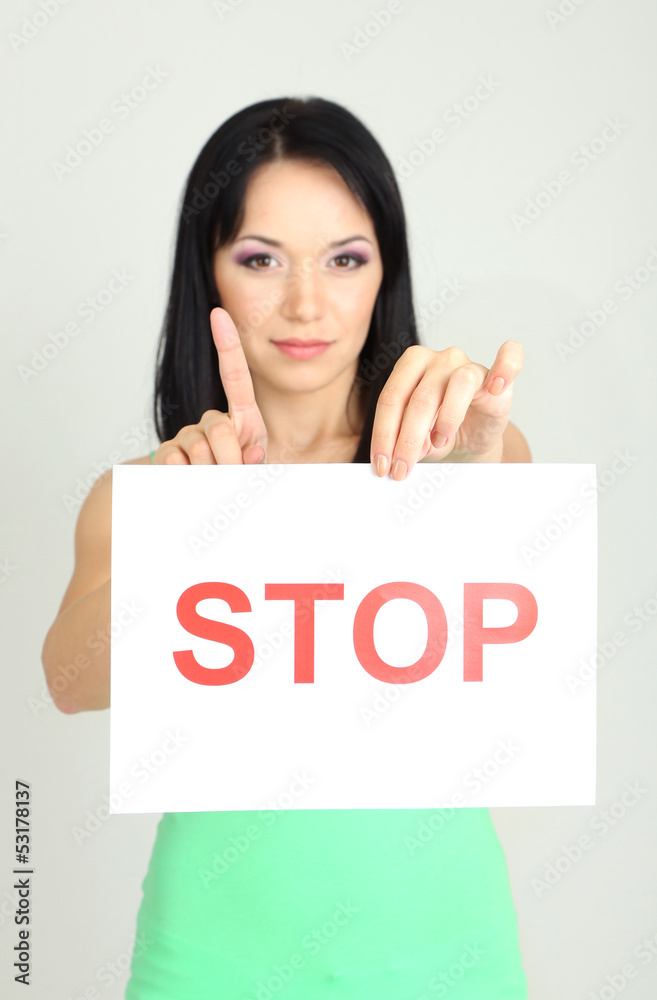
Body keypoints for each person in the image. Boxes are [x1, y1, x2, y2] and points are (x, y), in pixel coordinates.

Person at [42, 96, 531, 998]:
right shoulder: (149, 492)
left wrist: (470, 463)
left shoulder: (465, 451)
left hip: (444, 956)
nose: (306, 302)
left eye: (344, 259)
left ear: (385, 272)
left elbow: (517, 581)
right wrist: (198, 537)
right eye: (261, 259)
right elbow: (70, 684)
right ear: (210, 276)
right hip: (211, 964)